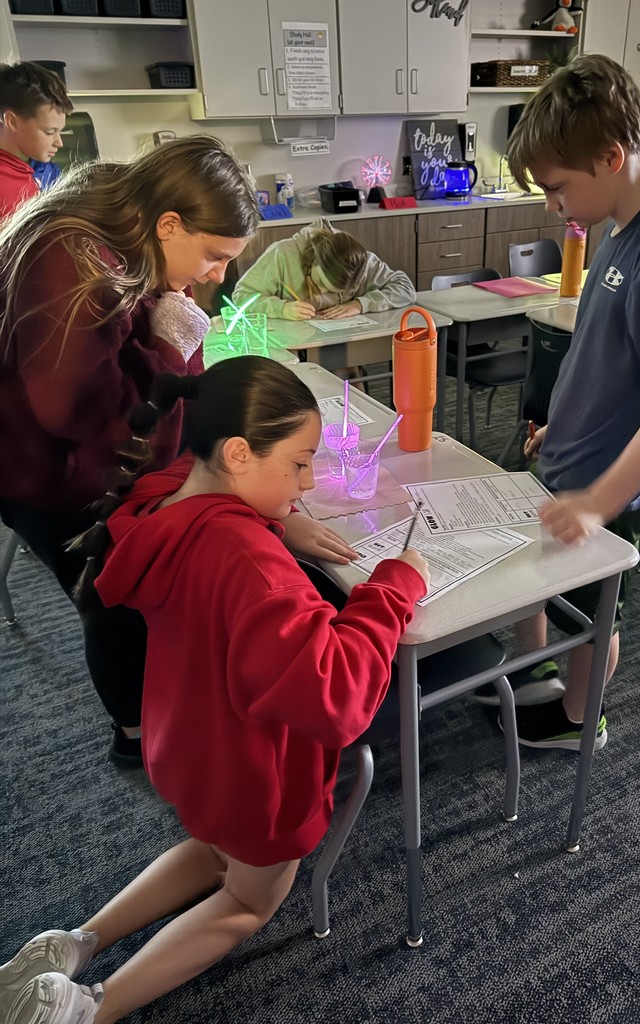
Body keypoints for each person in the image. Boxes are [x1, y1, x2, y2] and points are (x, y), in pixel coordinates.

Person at [0, 355, 429, 1024]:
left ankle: (71, 946)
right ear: (236, 452)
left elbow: (208, 501)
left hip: (187, 746)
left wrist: (278, 517)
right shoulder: (253, 568)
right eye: (298, 462)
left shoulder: (162, 496)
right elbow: (337, 695)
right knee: (250, 901)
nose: (308, 480)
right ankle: (88, 1010)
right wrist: (395, 586)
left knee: (210, 850)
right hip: (254, 774)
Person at [0, 135, 264, 767]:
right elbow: (74, 412)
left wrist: (209, 445)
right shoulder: (73, 257)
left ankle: (164, 704)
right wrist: (168, 350)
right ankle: (136, 737)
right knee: (112, 595)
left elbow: (174, 388)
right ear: (170, 223)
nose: (219, 276)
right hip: (43, 472)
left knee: (149, 580)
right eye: (214, 256)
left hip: (87, 458)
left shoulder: (137, 229)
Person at [489, 53, 640, 751]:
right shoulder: (618, 227)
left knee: (595, 618)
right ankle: (542, 677)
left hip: (616, 489)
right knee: (551, 595)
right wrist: (562, 427)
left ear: (611, 156)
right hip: (572, 457)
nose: (553, 205)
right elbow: (612, 362)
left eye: (557, 188)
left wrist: (600, 500)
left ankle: (578, 720)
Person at [232, 216, 416, 321]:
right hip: (292, 346)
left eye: (333, 291)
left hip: (338, 339)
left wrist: (360, 304)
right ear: (314, 260)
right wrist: (282, 309)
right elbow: (241, 296)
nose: (323, 292)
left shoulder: (363, 263)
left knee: (348, 371)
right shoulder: (282, 254)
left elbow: (405, 288)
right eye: (320, 282)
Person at [0, 61, 72, 217]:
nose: (59, 142)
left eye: (60, 131)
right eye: (49, 132)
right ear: (12, 122)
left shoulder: (48, 171)